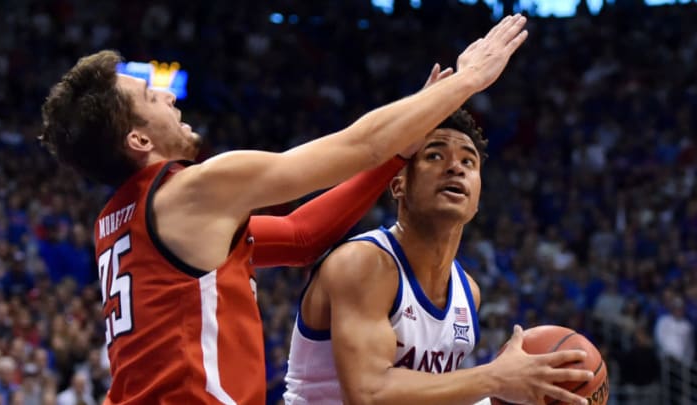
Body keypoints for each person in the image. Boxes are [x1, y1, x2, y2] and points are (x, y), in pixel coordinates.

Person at [39, 14, 530, 405]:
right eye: (151, 96)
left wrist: (401, 150)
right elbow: (359, 145)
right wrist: (465, 82)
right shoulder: (194, 191)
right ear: (139, 139)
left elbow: (300, 237)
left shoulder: (121, 219)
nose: (168, 94)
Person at [284, 110, 593, 405]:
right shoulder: (363, 264)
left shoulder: (467, 293)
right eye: (435, 155)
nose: (455, 167)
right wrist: (495, 378)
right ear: (398, 184)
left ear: (477, 196)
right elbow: (368, 395)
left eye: (468, 161)